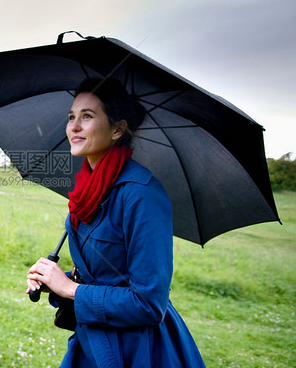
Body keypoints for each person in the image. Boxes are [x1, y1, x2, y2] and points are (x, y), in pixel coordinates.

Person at [26, 78, 206, 367]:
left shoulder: (142, 193)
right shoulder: (86, 191)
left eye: (87, 116)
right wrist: (57, 282)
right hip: (91, 343)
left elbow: (149, 303)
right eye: (71, 116)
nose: (74, 126)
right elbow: (103, 274)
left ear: (117, 129)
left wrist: (70, 289)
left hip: (138, 351)